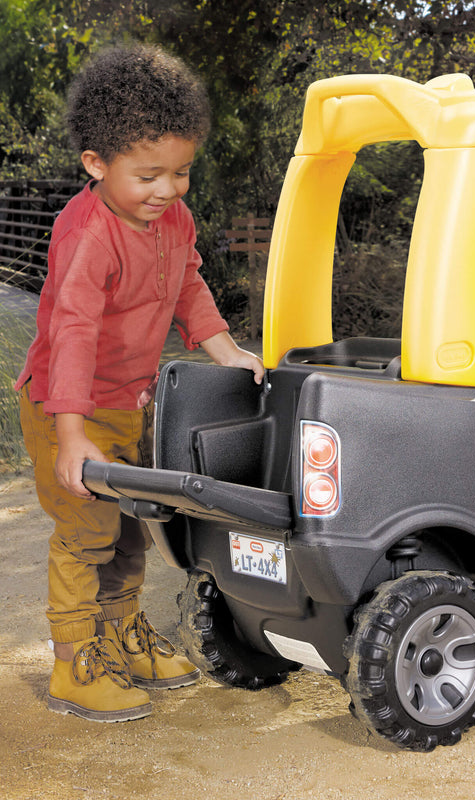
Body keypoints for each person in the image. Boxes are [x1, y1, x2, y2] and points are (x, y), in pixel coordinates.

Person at [14, 43, 264, 723]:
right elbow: (70, 333)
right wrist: (71, 436)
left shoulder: (172, 221)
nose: (168, 191)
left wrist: (227, 351)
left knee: (130, 528)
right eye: (149, 175)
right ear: (96, 164)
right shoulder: (88, 235)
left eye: (181, 173)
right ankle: (74, 662)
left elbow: (188, 285)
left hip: (130, 405)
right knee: (84, 533)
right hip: (68, 409)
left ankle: (121, 637)